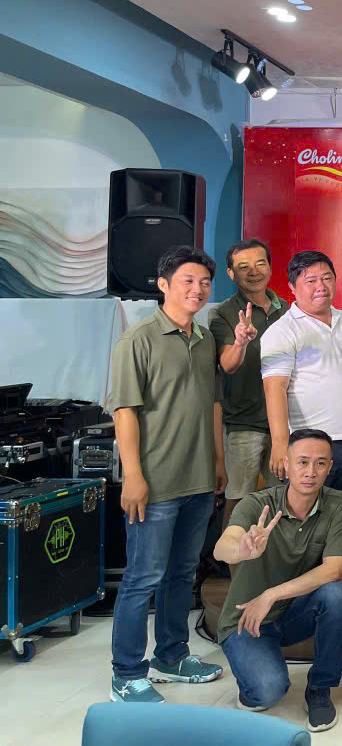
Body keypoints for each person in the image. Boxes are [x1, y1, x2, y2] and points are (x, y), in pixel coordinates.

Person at [106, 246, 227, 703]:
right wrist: (133, 476)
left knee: (181, 575)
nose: (198, 290)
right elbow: (125, 412)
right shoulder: (137, 339)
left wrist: (218, 461)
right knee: (143, 578)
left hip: (198, 480)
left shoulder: (205, 339)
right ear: (163, 285)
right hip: (154, 484)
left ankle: (172, 656)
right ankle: (126, 673)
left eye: (204, 283)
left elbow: (212, 405)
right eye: (187, 281)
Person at [213, 429, 342, 733]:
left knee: (335, 593)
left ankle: (320, 688)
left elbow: (333, 569)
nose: (310, 472)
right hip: (247, 619)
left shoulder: (337, 503)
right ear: (286, 464)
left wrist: (271, 595)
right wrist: (241, 550)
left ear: (329, 467)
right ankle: (255, 672)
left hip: (290, 612)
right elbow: (221, 548)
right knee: (267, 693)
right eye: (302, 462)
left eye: (320, 463)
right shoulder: (258, 504)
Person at [259, 250, 342, 516]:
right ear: (292, 287)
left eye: (327, 278)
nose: (321, 286)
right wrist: (280, 443)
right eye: (311, 281)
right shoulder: (282, 331)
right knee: (307, 517)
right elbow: (274, 388)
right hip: (311, 442)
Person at [210, 238, 286, 521]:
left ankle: (274, 552)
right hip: (243, 423)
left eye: (260, 263)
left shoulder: (288, 310)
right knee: (238, 502)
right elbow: (227, 365)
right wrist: (240, 342)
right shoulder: (223, 313)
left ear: (270, 267)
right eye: (243, 267)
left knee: (282, 501)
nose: (254, 271)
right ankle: (229, 551)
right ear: (231, 273)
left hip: (284, 424)